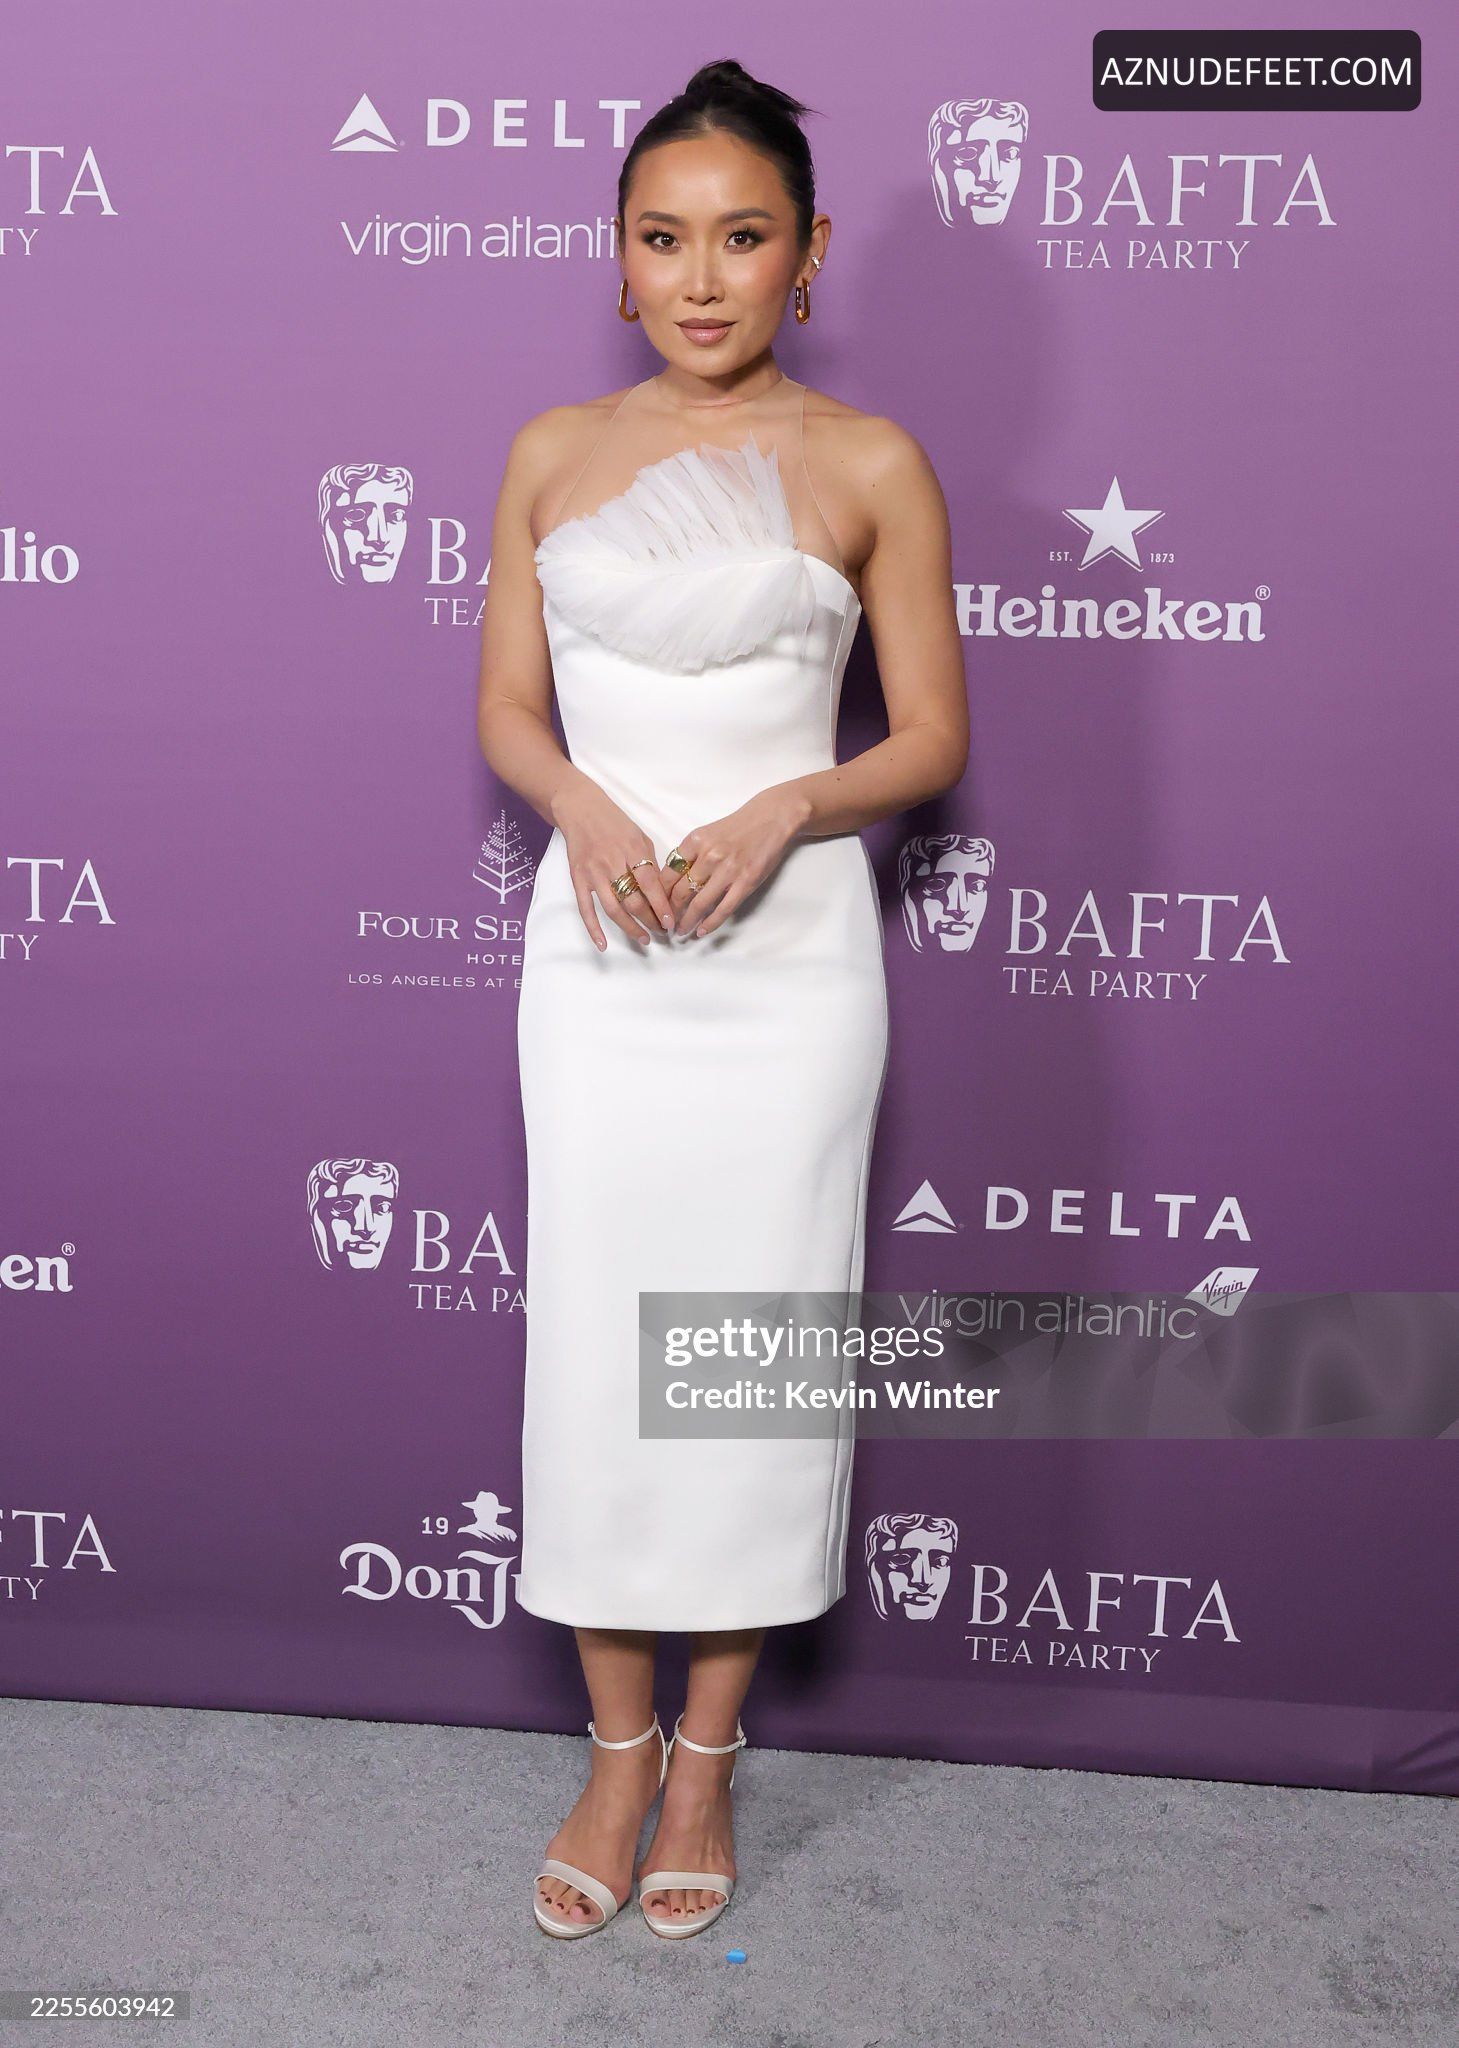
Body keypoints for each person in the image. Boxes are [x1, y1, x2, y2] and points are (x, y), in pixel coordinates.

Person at [477, 57, 967, 1941]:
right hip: (601, 954)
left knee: (752, 1347)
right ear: (617, 259)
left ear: (807, 253)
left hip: (790, 965)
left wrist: (791, 803)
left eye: (743, 237)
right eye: (664, 239)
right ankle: (614, 1750)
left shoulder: (872, 463)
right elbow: (509, 711)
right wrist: (583, 806)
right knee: (605, 1344)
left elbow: (929, 737)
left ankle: (707, 1754)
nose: (702, 277)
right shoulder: (549, 449)